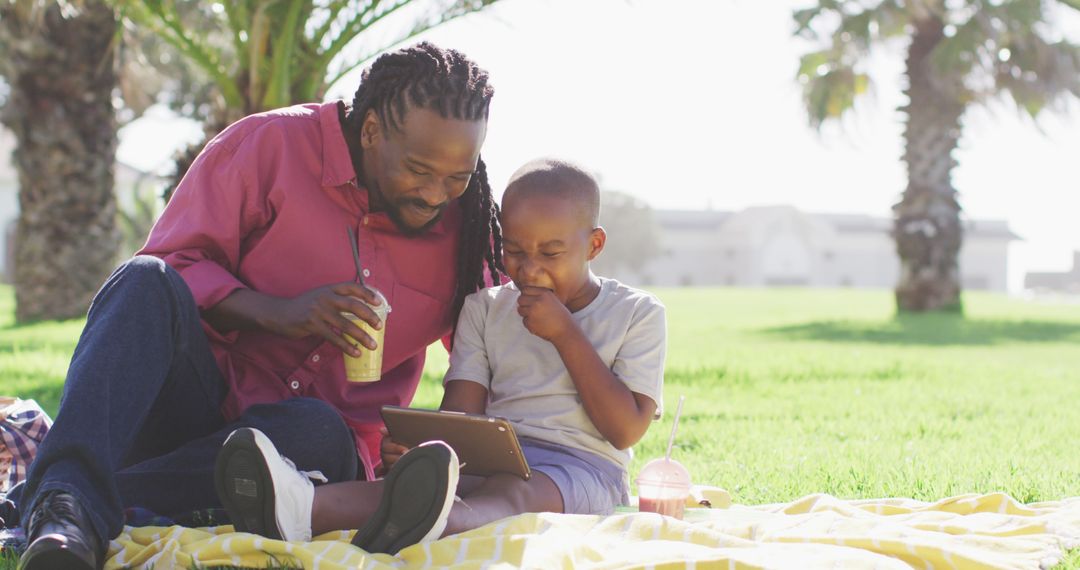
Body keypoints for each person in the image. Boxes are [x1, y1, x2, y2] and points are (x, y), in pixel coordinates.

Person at [12, 42, 506, 570]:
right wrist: (278, 311)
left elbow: (494, 353)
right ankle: (70, 502)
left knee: (317, 430)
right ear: (370, 132)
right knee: (144, 279)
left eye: (458, 177)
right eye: (419, 170)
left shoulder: (467, 227)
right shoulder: (267, 146)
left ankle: (59, 503)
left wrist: (433, 444)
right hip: (195, 406)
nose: (436, 195)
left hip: (305, 453)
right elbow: (176, 263)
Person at [213, 158, 668, 555]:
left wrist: (566, 334)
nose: (530, 269)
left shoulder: (637, 314)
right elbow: (461, 422)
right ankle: (296, 507)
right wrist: (422, 449)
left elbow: (624, 430)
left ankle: (427, 526)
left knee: (511, 491)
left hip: (582, 472)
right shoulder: (485, 310)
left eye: (551, 252)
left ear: (593, 245)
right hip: (497, 458)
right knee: (412, 483)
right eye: (513, 251)